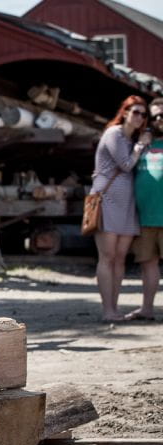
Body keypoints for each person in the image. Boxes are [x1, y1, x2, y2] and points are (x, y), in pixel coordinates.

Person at [93, 95, 150, 322]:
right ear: (124, 112)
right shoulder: (114, 133)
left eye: (143, 114)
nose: (139, 117)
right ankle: (107, 310)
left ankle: (115, 309)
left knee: (120, 257)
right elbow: (126, 165)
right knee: (107, 256)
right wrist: (139, 147)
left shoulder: (132, 138)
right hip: (107, 199)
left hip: (128, 203)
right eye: (135, 112)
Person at [126, 98, 163, 321]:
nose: (160, 120)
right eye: (155, 116)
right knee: (148, 265)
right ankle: (147, 309)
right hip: (145, 217)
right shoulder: (141, 144)